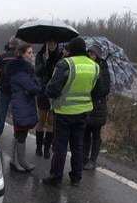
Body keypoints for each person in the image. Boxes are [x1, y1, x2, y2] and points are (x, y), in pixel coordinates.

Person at [42, 37, 99, 187]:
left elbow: (52, 89)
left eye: (67, 49)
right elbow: (95, 90)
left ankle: (56, 177)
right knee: (77, 145)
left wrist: (48, 91)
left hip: (64, 111)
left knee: (60, 146)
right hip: (84, 112)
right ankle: (76, 177)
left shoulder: (65, 64)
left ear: (71, 50)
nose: (65, 51)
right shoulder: (94, 66)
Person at [7, 43, 41, 171]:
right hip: (22, 104)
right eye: (29, 53)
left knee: (19, 133)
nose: (32, 55)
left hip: (21, 103)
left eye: (32, 52)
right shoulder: (21, 70)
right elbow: (32, 87)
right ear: (21, 54)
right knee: (21, 133)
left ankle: (14, 160)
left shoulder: (22, 68)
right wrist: (38, 83)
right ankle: (21, 161)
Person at [83, 45, 111, 170]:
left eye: (93, 54)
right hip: (86, 104)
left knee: (95, 134)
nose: (90, 56)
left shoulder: (103, 69)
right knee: (85, 133)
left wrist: (97, 80)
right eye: (89, 53)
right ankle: (84, 157)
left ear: (98, 56)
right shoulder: (87, 66)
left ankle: (93, 160)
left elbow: (105, 90)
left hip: (98, 107)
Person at [34, 40, 62, 159]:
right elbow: (37, 72)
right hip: (42, 91)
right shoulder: (40, 56)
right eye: (49, 43)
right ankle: (39, 147)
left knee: (51, 121)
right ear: (45, 44)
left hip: (54, 92)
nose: (52, 45)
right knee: (41, 120)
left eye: (54, 44)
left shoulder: (60, 56)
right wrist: (45, 61)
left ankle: (47, 148)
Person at [0, 36, 20, 140]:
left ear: (9, 45)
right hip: (17, 89)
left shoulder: (3, 56)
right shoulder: (20, 56)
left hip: (4, 87)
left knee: (2, 111)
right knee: (16, 112)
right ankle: (17, 135)